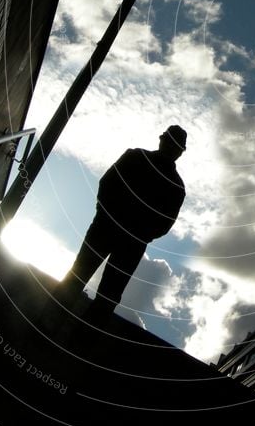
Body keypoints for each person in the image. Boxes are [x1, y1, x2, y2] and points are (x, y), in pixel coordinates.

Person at [57, 125, 187, 320]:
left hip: (121, 236)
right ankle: (58, 325)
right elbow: (107, 184)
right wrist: (112, 218)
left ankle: (62, 327)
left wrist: (128, 228)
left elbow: (164, 224)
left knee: (102, 291)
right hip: (114, 231)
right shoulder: (139, 159)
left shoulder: (173, 184)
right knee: (86, 280)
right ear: (163, 141)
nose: (170, 147)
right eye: (170, 142)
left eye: (173, 145)